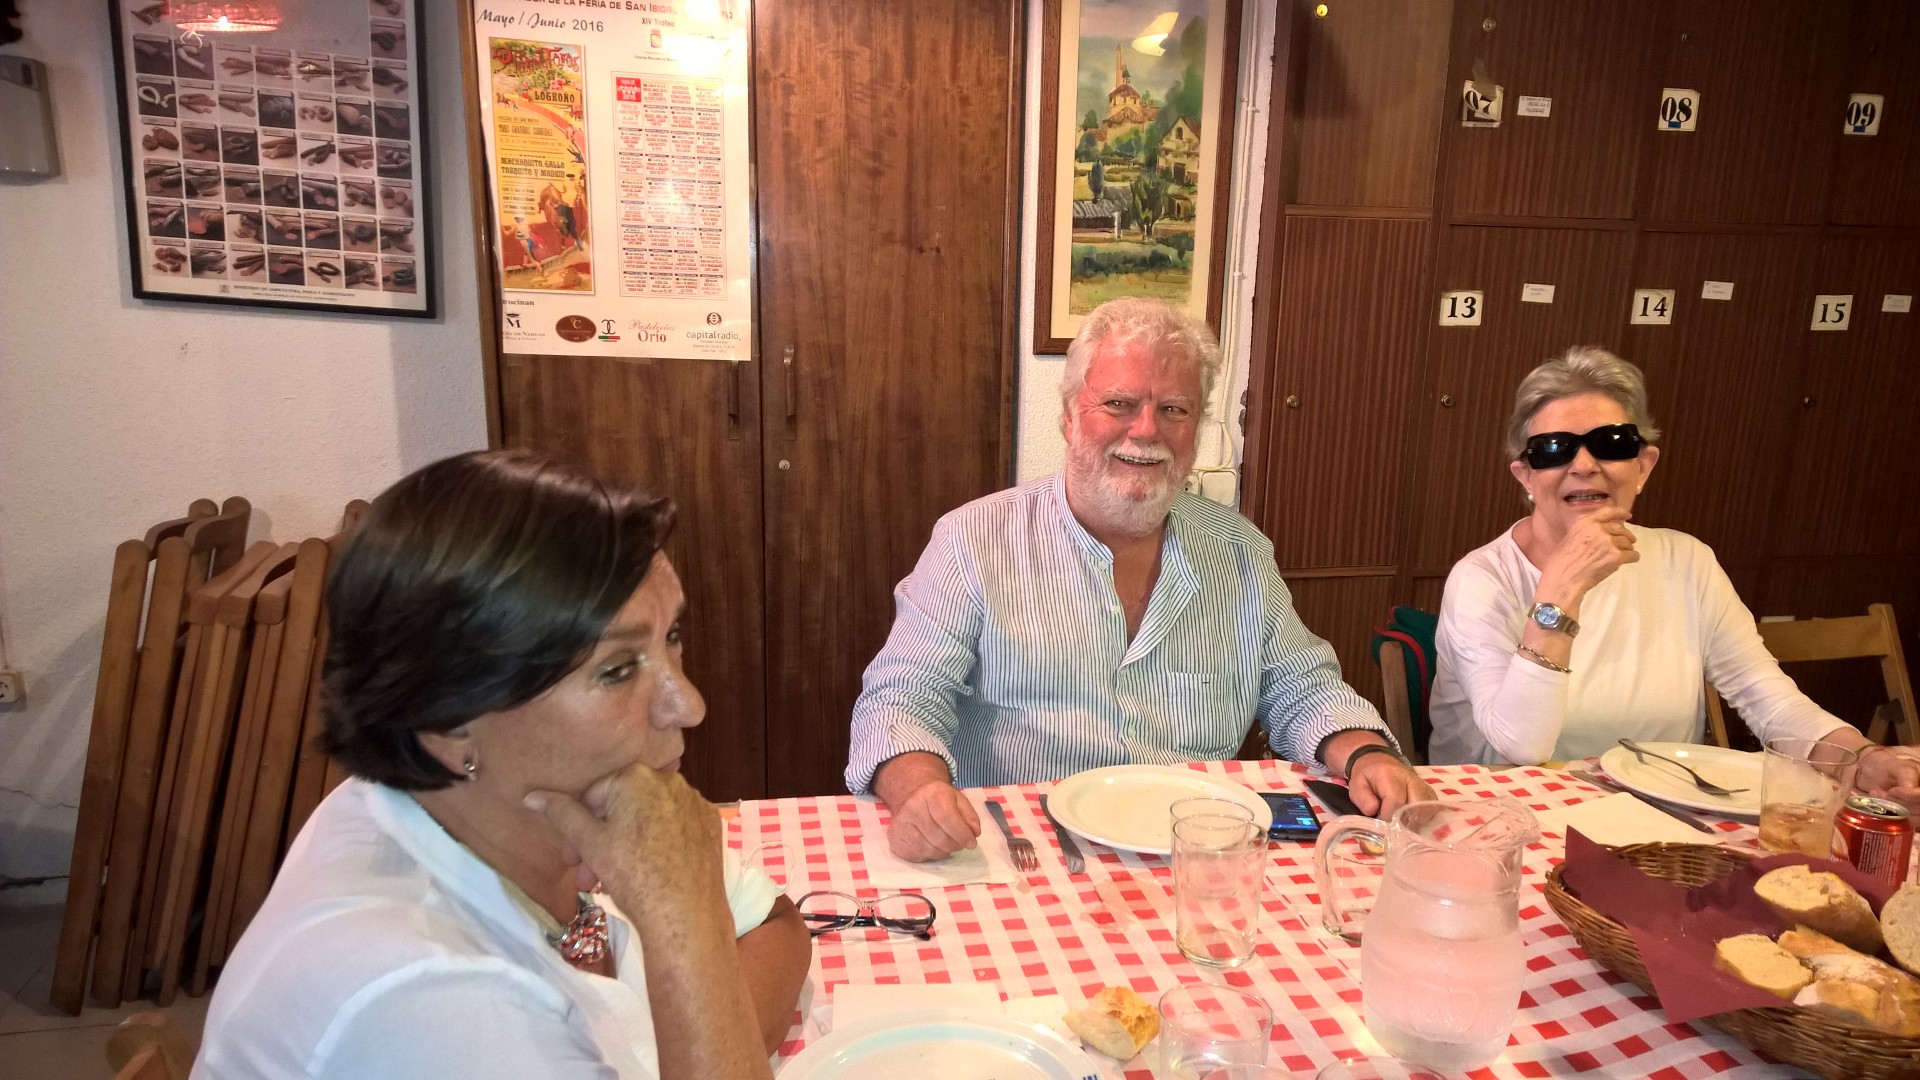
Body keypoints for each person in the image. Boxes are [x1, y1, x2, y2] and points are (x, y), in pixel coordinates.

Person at [195, 451, 809, 1080]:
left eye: (671, 636)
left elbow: (776, 923)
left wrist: (702, 1027)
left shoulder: (506, 810)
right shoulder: (424, 1000)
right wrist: (693, 935)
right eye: (618, 669)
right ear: (449, 721)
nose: (689, 704)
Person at [845, 297, 1430, 862]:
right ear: (1069, 416)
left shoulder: (1240, 552)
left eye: (1174, 409)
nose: (1147, 430)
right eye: (1119, 403)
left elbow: (1303, 689)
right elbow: (902, 699)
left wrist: (1367, 754)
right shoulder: (972, 539)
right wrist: (919, 789)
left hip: (1196, 850)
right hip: (1025, 850)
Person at [1427, 347, 1920, 799]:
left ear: (1643, 467)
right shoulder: (1481, 579)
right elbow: (1521, 745)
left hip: (1663, 815)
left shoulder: (1687, 561)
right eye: (1554, 449)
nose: (1584, 465)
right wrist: (1561, 591)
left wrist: (1862, 758)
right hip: (1510, 814)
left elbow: (1766, 697)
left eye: (1611, 443)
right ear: (1526, 477)